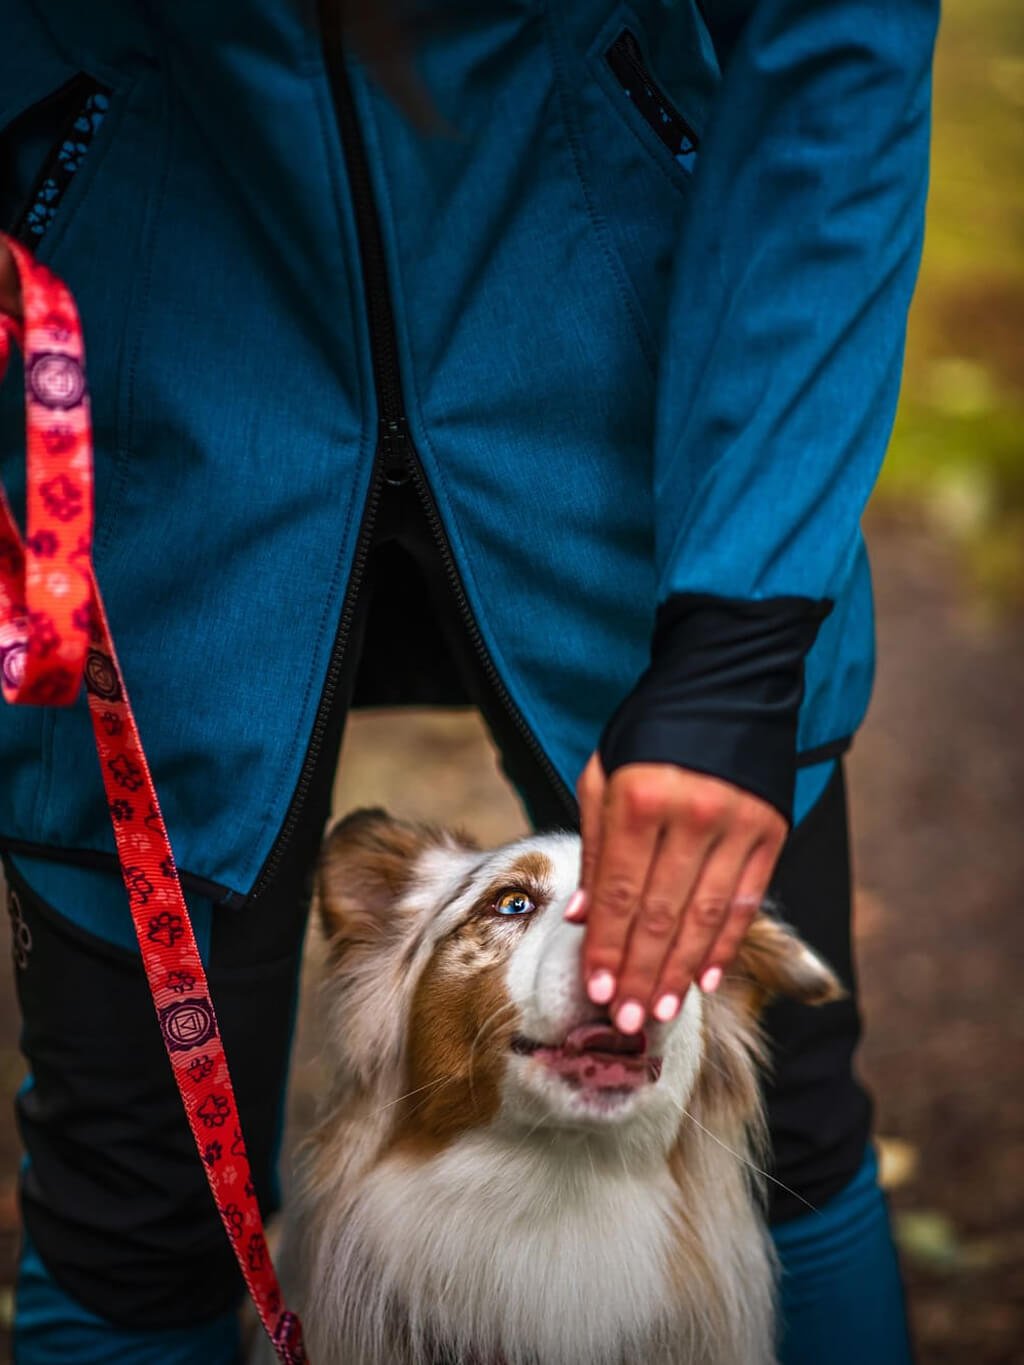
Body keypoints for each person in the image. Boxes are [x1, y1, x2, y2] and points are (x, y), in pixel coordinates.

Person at [0, 0, 937, 1360]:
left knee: (778, 1113)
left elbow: (838, 55)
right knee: (131, 1203)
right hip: (144, 397)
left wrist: (744, 626)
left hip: (625, 382)